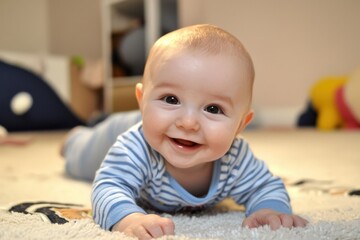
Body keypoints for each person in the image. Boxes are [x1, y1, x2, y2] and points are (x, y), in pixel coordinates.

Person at [66, 24, 308, 239]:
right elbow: (109, 185)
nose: (189, 122)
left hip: (160, 124)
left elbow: (265, 186)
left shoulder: (235, 157)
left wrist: (268, 208)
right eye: (171, 98)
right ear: (141, 100)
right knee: (82, 158)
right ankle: (73, 139)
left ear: (241, 126)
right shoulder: (135, 148)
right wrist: (128, 218)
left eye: (213, 108)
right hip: (123, 130)